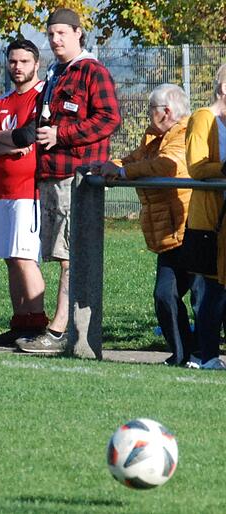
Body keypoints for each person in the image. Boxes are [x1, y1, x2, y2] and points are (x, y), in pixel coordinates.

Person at [1, 8, 121, 354]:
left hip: (77, 177)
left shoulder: (91, 71)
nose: (55, 40)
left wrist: (62, 133)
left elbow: (110, 118)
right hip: (50, 177)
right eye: (51, 35)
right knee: (61, 255)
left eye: (62, 34)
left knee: (71, 256)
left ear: (78, 34)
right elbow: (39, 123)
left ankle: (58, 331)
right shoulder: (56, 72)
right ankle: (70, 333)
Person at [100, 84, 201, 367]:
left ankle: (203, 355)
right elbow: (134, 160)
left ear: (166, 112)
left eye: (150, 110)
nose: (147, 115)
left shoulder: (185, 133)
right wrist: (110, 166)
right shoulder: (154, 137)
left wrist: (122, 171)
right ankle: (182, 354)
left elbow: (167, 166)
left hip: (192, 227)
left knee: (202, 300)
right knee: (164, 295)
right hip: (168, 232)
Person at [0, 39, 48, 346]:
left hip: (28, 190)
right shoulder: (1, 101)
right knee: (9, 257)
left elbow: (29, 135)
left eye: (24, 62)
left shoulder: (42, 95)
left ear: (36, 64)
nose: (18, 67)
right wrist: (9, 142)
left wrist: (0, 139)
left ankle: (38, 324)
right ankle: (20, 323)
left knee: (25, 256)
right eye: (13, 61)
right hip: (1, 190)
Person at [183, 65, 226, 370]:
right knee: (212, 289)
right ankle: (206, 354)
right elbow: (197, 167)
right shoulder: (203, 117)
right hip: (210, 219)